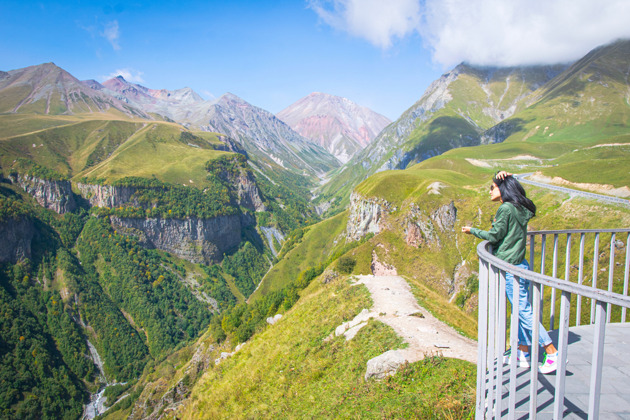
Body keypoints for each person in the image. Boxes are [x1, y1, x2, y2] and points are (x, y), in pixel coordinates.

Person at [462, 171, 559, 374]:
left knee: (523, 310)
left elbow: (494, 236)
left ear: (502, 189)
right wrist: (506, 176)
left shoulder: (506, 209)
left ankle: (551, 352)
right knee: (520, 308)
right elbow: (531, 207)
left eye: (492, 187)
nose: (489, 191)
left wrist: (473, 231)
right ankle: (522, 352)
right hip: (520, 264)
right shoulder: (520, 207)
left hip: (510, 268)